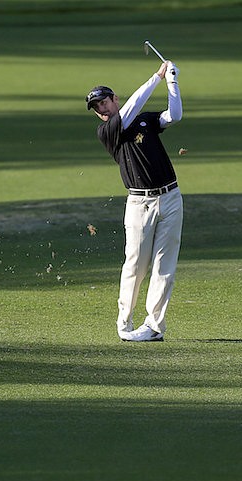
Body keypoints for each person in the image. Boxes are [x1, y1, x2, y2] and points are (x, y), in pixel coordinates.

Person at [85, 60, 183, 342]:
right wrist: (157, 77)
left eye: (104, 102)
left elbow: (173, 116)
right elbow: (131, 109)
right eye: (97, 108)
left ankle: (154, 327)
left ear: (114, 99)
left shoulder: (143, 119)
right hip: (140, 205)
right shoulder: (108, 131)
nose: (101, 109)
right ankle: (124, 322)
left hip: (171, 198)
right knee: (136, 266)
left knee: (165, 267)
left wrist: (172, 82)